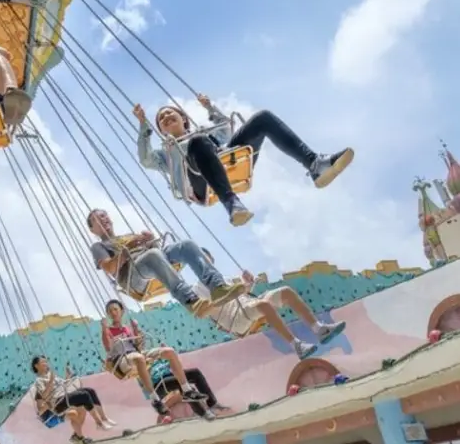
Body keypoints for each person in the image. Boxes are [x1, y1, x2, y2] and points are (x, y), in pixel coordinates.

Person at [134, 96, 354, 226]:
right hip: (201, 184)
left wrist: (210, 107)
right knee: (198, 143)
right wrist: (144, 125)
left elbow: (226, 129)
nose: (165, 117)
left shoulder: (206, 133)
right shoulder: (166, 155)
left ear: (184, 118)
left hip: (229, 163)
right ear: (162, 131)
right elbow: (145, 159)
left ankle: (315, 164)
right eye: (161, 119)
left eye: (169, 112)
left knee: (263, 118)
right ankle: (231, 203)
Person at [87, 209, 245, 316]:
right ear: (93, 230)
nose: (103, 219)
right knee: (153, 255)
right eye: (97, 219)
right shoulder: (99, 246)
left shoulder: (128, 235)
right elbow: (110, 267)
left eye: (104, 215)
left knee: (186, 245)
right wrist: (129, 247)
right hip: (131, 276)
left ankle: (217, 287)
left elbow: (155, 252)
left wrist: (148, 240)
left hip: (150, 261)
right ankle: (191, 300)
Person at [196, 248, 347, 359]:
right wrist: (229, 295)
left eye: (209, 260)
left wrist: (247, 282)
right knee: (263, 305)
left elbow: (244, 291)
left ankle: (319, 329)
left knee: (286, 292)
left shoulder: (224, 279)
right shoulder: (198, 288)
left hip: (249, 304)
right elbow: (203, 311)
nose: (208, 264)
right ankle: (297, 346)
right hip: (235, 319)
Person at [101, 299, 206, 416]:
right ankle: (155, 400)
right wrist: (104, 329)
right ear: (108, 314)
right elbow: (108, 347)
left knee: (169, 351)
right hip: (122, 360)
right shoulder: (108, 330)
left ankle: (186, 390)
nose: (113, 312)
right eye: (110, 311)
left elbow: (138, 347)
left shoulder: (127, 328)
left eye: (115, 309)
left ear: (121, 311)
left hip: (136, 354)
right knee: (139, 358)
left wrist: (136, 331)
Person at [31, 355, 114, 432]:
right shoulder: (39, 380)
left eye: (46, 362)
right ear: (36, 366)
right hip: (57, 402)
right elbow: (44, 396)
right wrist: (50, 381)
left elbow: (63, 384)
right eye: (43, 362)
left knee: (90, 391)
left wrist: (68, 376)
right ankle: (99, 423)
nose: (45, 364)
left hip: (64, 395)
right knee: (84, 395)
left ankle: (104, 418)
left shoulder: (51, 375)